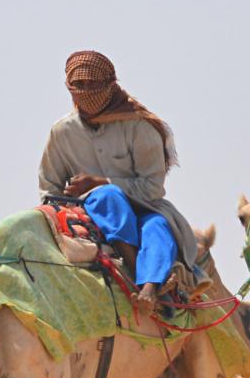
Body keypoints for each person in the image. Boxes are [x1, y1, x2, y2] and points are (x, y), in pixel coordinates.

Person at [39, 50, 196, 315]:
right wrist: (67, 204)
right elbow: (49, 187)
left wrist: (101, 182)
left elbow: (153, 187)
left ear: (111, 85)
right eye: (79, 85)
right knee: (104, 196)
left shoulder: (138, 126)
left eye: (93, 84)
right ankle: (137, 270)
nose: (86, 91)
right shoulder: (62, 133)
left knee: (157, 227)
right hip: (84, 213)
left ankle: (147, 289)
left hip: (144, 208)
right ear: (69, 88)